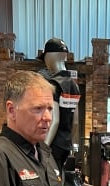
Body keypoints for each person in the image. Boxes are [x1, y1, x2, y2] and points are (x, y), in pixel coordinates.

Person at [39, 37, 80, 171]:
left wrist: (44, 148)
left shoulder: (54, 84)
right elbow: (75, 122)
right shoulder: (74, 86)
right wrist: (73, 144)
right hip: (66, 145)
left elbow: (54, 120)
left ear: (49, 57)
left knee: (51, 182)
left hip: (54, 145)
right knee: (58, 179)